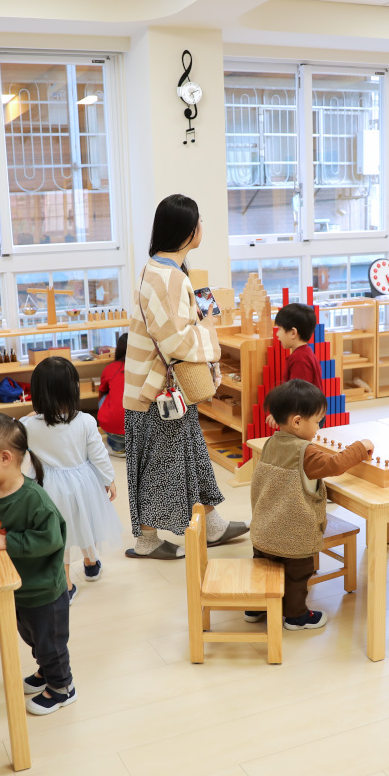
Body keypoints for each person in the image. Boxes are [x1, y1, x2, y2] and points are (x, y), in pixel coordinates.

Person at [123, 193, 248, 559]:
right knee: (159, 465)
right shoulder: (169, 278)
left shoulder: (162, 270)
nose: (202, 227)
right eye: (199, 221)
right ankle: (147, 541)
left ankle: (213, 525)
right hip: (157, 391)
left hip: (160, 386)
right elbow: (175, 340)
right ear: (188, 230)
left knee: (190, 455)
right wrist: (209, 335)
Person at [0, 415, 75, 715]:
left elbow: (51, 539)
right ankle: (45, 672)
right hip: (17, 587)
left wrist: (10, 541)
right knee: (32, 639)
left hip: (44, 592)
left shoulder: (35, 500)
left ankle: (62, 688)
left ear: (5, 458)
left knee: (50, 644)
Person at [246, 380, 374, 631]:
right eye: (317, 421)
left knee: (264, 568)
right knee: (297, 575)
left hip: (263, 531)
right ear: (297, 422)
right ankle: (296, 617)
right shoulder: (305, 452)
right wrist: (361, 447)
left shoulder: (270, 443)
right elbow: (335, 465)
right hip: (292, 536)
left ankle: (256, 607)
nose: (319, 427)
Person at [22, 357, 119, 591]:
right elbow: (99, 455)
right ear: (72, 389)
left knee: (58, 534)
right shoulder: (86, 421)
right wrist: (109, 479)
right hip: (84, 484)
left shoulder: (27, 425)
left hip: (47, 488)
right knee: (85, 521)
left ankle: (65, 585)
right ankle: (91, 563)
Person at [266, 303, 323, 430]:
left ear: (293, 332)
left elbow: (298, 395)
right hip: (309, 413)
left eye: (280, 329)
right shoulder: (305, 353)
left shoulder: (299, 359)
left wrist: (281, 414)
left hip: (306, 416)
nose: (277, 335)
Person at [96, 333, 127, 457]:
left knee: (104, 396)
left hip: (113, 431)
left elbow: (101, 393)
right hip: (140, 432)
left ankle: (118, 447)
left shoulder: (110, 368)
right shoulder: (144, 369)